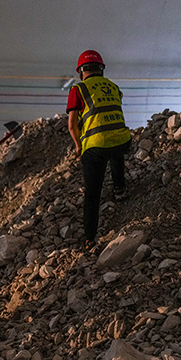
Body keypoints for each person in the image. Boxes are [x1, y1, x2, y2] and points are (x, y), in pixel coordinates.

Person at [66, 50, 132, 251]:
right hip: (123, 140)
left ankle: (90, 238)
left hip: (96, 147)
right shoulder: (113, 87)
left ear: (81, 71)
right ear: (101, 69)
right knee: (115, 150)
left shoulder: (78, 89)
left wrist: (79, 146)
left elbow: (72, 125)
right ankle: (120, 189)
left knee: (92, 193)